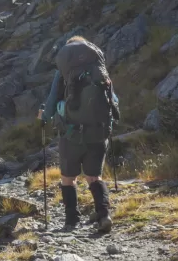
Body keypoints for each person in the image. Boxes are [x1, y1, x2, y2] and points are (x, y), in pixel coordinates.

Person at [38, 35, 120, 232]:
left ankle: (71, 221)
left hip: (71, 134)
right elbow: (114, 103)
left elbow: (50, 104)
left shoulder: (64, 74)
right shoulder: (100, 71)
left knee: (68, 177)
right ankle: (103, 215)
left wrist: (44, 117)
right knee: (94, 177)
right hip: (98, 133)